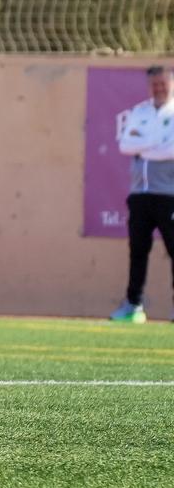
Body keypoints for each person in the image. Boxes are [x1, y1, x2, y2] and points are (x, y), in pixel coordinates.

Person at [111, 65, 174, 323]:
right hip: (140, 194)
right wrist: (156, 141)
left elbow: (171, 150)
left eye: (163, 83)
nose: (158, 88)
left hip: (169, 195)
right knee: (138, 250)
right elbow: (126, 145)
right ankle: (133, 305)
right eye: (154, 84)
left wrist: (144, 144)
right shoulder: (140, 111)